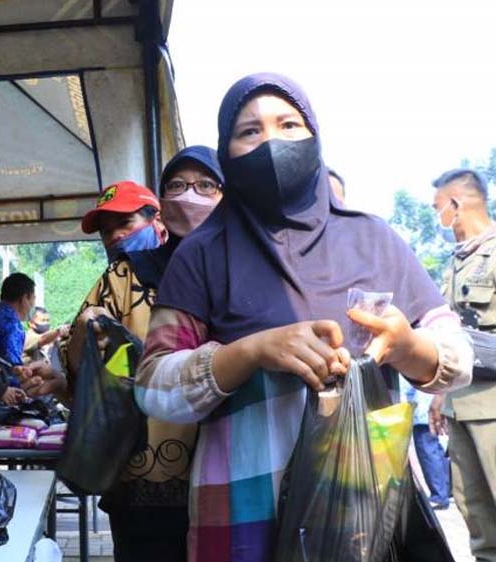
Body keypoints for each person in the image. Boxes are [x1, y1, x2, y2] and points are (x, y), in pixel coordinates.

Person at [134, 73, 473, 562]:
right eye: (249, 131)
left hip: (365, 506)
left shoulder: (373, 239)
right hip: (244, 511)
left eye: (288, 125)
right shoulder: (203, 254)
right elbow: (154, 387)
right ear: (226, 153)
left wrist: (407, 346)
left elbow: (457, 357)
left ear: (315, 139)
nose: (271, 142)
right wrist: (250, 351)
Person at [46, 148, 223, 562]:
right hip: (144, 482)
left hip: (230, 472)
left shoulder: (240, 269)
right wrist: (84, 335)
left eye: (123, 224)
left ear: (154, 217)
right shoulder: (124, 276)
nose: (114, 237)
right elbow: (79, 368)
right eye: (177, 186)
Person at [428, 168, 496, 560]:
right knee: (478, 519)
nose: (438, 218)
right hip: (461, 407)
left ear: (456, 205)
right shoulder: (456, 264)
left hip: (492, 405)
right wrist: (440, 395)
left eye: (438, 208)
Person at [401, 376, 451, 509]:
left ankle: (439, 495)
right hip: (429, 401)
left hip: (422, 406)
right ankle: (444, 490)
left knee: (427, 450)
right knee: (435, 449)